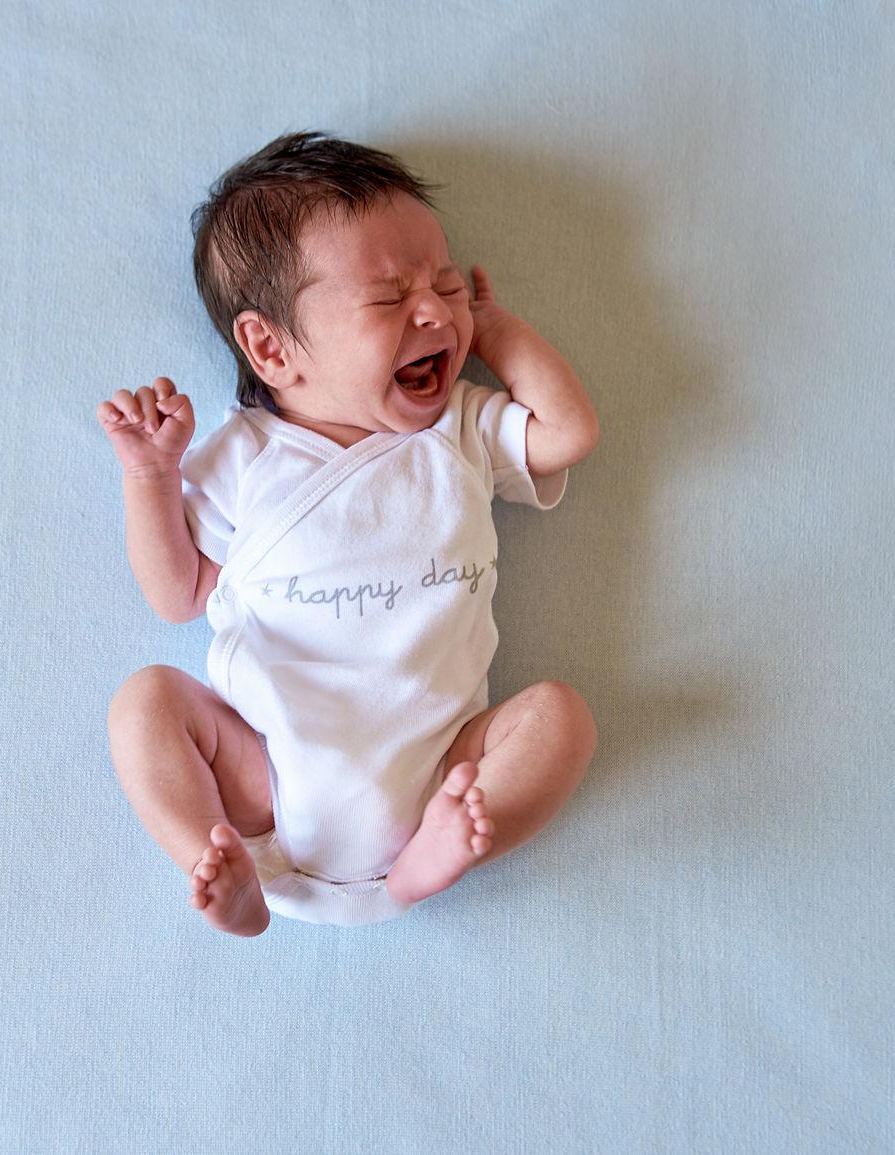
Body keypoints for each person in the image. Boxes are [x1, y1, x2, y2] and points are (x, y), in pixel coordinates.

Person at [97, 133, 598, 935]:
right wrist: (150, 475)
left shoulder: (459, 430)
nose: (437, 311)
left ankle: (427, 862)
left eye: (445, 286)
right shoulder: (247, 457)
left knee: (560, 721)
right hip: (267, 774)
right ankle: (211, 853)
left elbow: (568, 431)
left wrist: (494, 327)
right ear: (271, 347)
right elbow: (177, 592)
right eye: (391, 298)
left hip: (445, 769)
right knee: (143, 703)